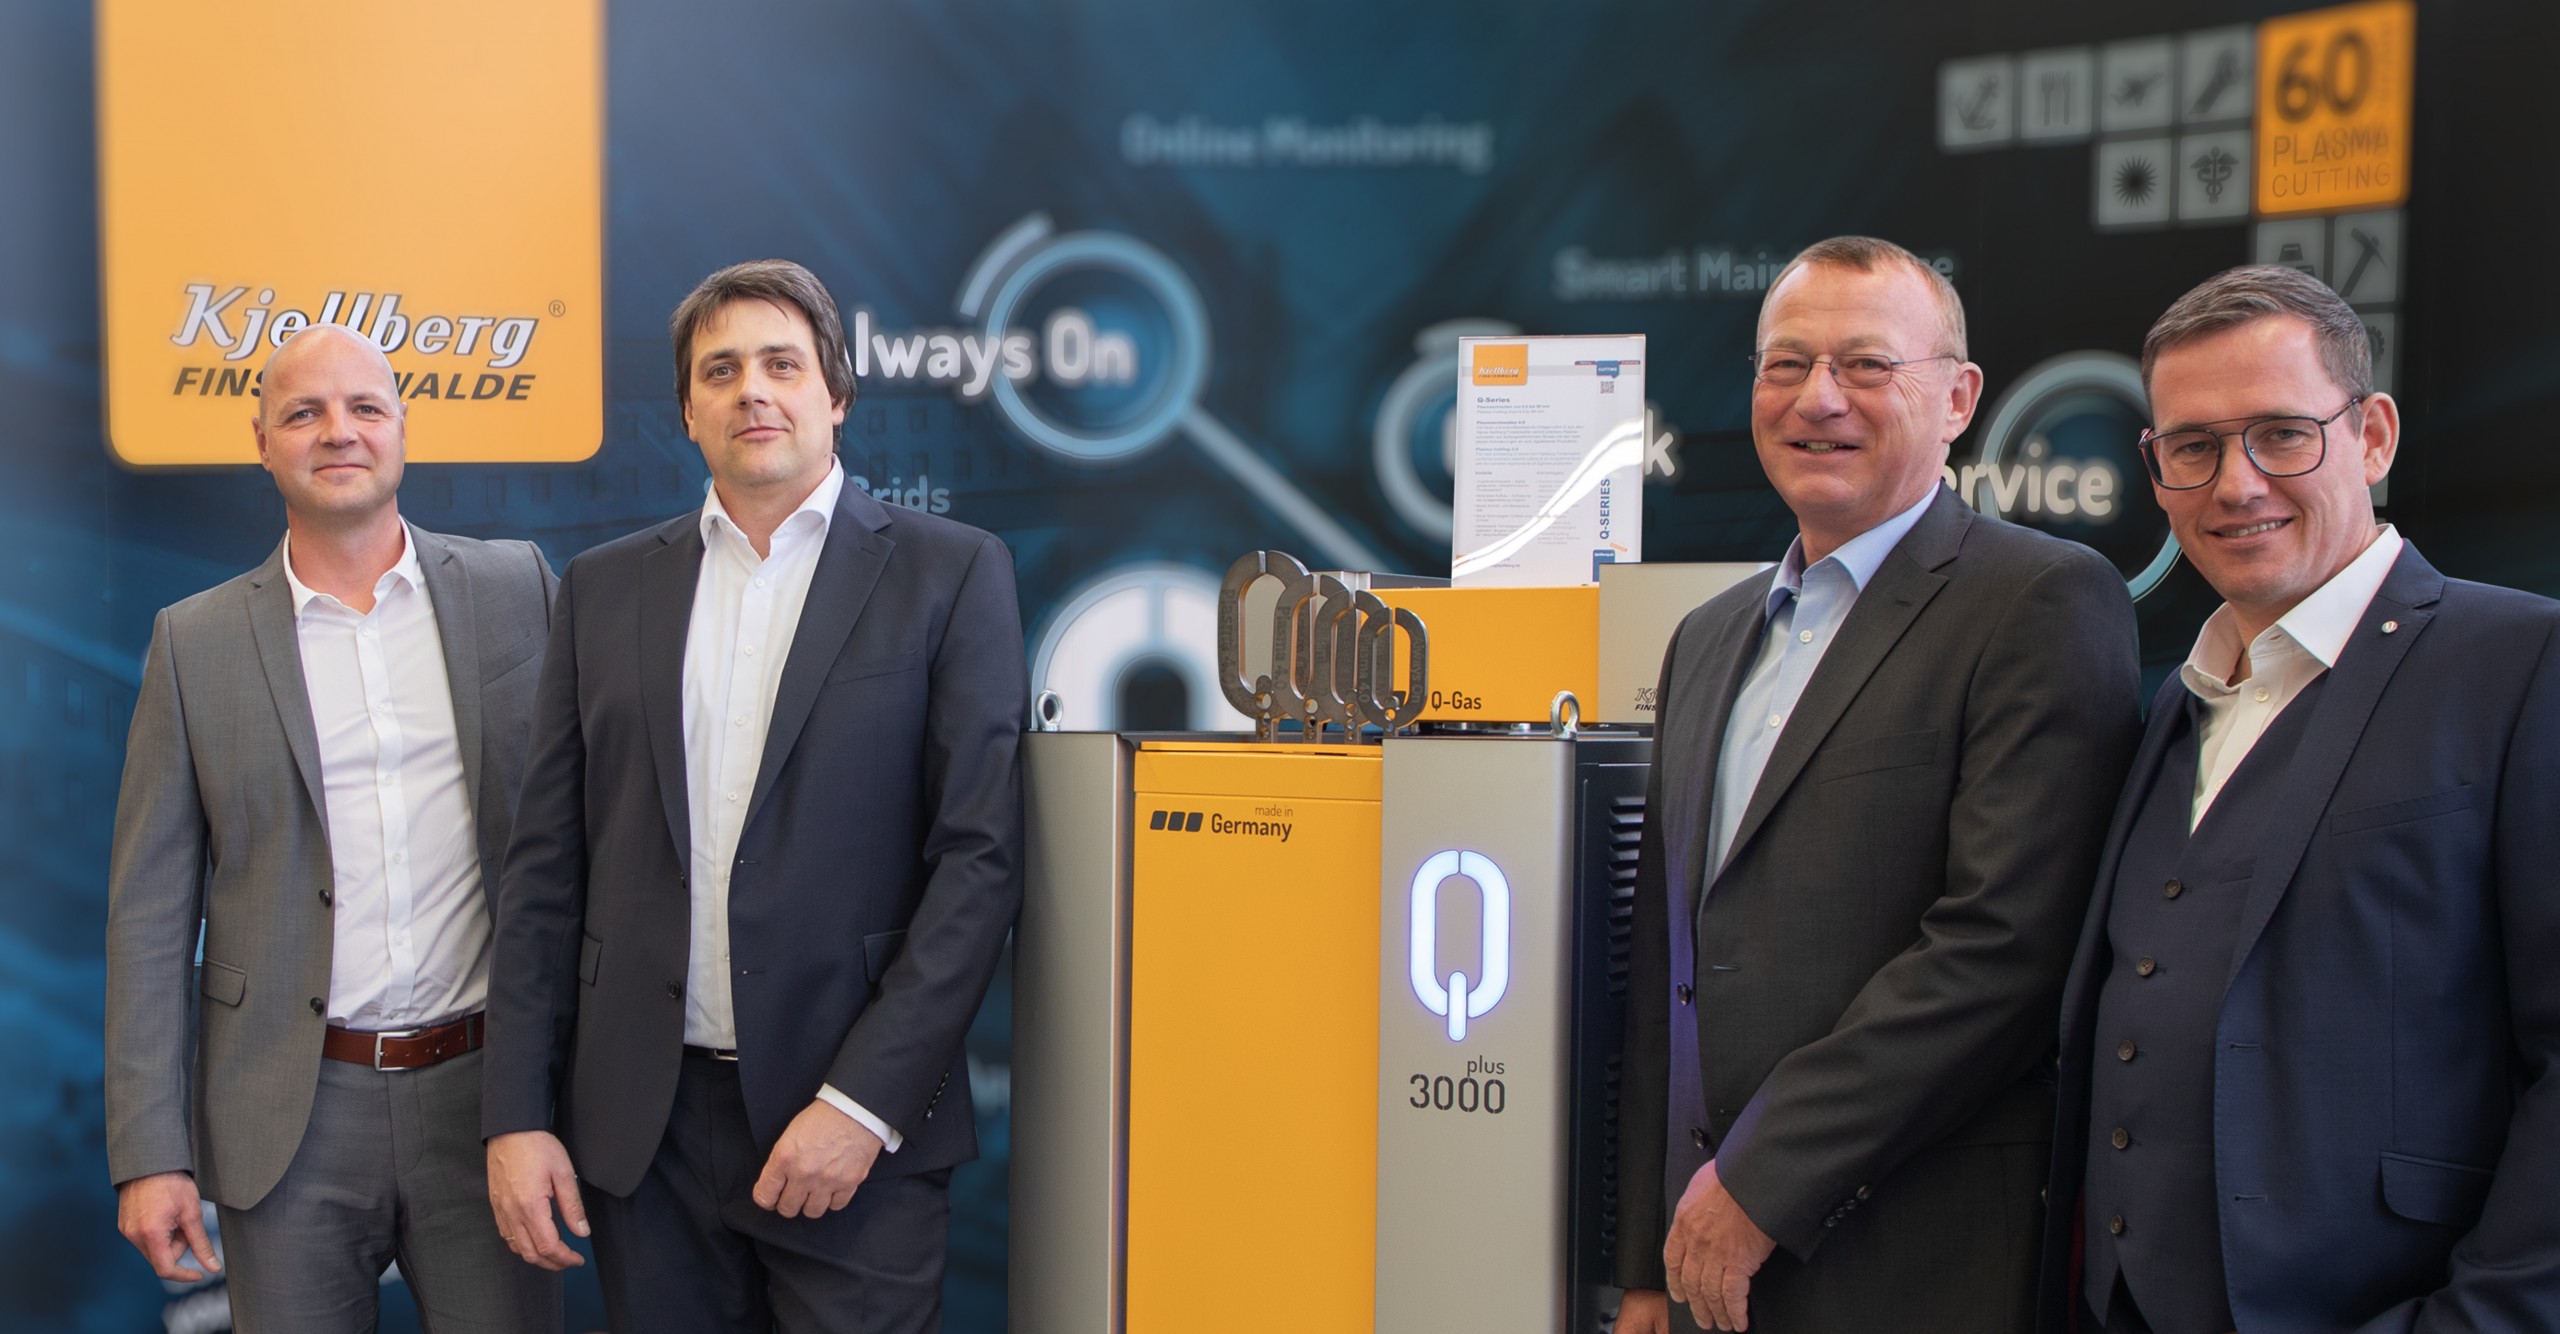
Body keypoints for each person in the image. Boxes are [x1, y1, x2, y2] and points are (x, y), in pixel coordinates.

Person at [481, 258, 1026, 1332]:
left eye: (782, 363)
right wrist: (517, 1112)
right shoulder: (603, 588)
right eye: (720, 371)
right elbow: (545, 868)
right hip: (645, 1133)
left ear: (837, 392)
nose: (752, 391)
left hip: (852, 1128)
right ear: (687, 411)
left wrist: (862, 1104)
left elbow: (980, 859)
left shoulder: (950, 572)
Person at [1616, 236, 2141, 1333]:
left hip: (1914, 1259)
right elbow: (1670, 968)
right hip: (1707, 1265)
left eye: (1866, 364)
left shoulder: (2039, 601)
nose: (1819, 398)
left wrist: (1759, 1182)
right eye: (1786, 364)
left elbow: (2003, 950)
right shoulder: (1705, 638)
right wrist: (1645, 1262)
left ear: (1958, 399)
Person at [2041, 265, 2560, 1333]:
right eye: (2193, 446)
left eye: (2281, 434)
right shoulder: (2171, 703)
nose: (2236, 485)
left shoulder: (2523, 663)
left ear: (2372, 437)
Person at [104, 324, 561, 1331]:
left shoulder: (515, 589)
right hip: (286, 1115)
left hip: (489, 1099)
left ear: (402, 428)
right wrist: (149, 1150)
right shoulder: (193, 643)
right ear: (261, 441)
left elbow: (588, 829)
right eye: (304, 412)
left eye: (364, 407)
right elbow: (149, 917)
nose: (338, 431)